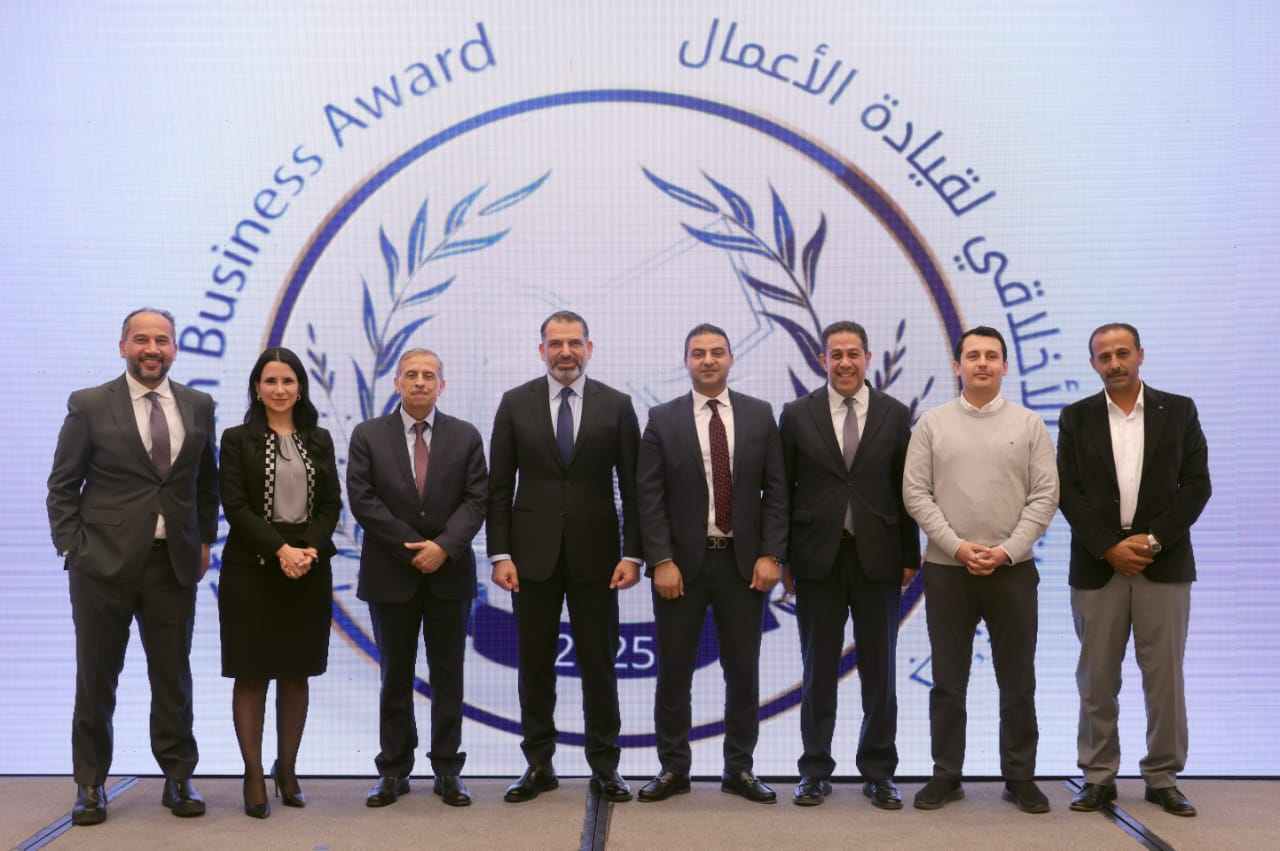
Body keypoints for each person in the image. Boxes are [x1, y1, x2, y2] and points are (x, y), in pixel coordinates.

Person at [47, 308, 217, 826]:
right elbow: (62, 485)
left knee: (173, 677)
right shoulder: (90, 404)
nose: (152, 349)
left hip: (173, 565)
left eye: (162, 340)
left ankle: (178, 777)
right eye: (141, 339)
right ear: (123, 345)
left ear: (174, 348)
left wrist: (205, 539)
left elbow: (205, 482)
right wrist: (74, 548)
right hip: (101, 566)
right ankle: (90, 784)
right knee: (97, 678)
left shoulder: (198, 405)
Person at [903, 326, 1058, 814]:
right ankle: (946, 774)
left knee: (1018, 681)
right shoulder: (932, 424)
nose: (983, 364)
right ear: (957, 366)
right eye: (973, 356)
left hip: (1013, 570)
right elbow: (915, 493)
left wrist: (1008, 550)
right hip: (948, 570)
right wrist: (957, 547)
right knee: (948, 681)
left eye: (992, 356)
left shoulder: (1029, 424)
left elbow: (1045, 495)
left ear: (1005, 366)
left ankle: (1020, 776)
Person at [487, 310, 641, 804]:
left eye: (574, 343)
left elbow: (634, 488)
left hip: (599, 559)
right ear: (542, 351)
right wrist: (499, 553)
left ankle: (606, 767)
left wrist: (633, 554)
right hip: (530, 559)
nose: (565, 352)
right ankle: (538, 765)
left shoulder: (617, 405)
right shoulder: (514, 403)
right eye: (556, 344)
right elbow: (498, 487)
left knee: (599, 664)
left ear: (589, 349)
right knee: (535, 666)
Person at [1057, 323, 1211, 818]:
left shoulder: (1179, 410)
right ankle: (1097, 776)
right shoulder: (1076, 417)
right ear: (1093, 364)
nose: (1115, 363)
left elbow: (1197, 485)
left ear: (1140, 354)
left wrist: (1153, 539)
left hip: (1162, 562)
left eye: (1123, 353)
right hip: (1098, 565)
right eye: (1104, 356)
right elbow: (1066, 490)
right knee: (1096, 679)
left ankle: (1163, 777)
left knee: (1164, 678)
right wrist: (1108, 547)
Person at [635, 323, 787, 804]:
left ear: (730, 358)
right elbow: (648, 497)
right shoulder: (662, 419)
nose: (707, 360)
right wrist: (661, 559)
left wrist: (772, 554)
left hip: (743, 566)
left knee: (742, 671)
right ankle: (673, 769)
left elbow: (778, 491)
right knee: (674, 671)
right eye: (698, 353)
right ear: (686, 361)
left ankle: (739, 769)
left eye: (716, 352)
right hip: (680, 567)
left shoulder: (760, 415)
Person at [779, 320, 919, 809]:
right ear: (823, 360)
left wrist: (909, 555)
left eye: (853, 354)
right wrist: (783, 558)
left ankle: (879, 772)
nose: (844, 363)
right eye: (835, 354)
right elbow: (782, 491)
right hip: (816, 560)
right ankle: (814, 770)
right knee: (818, 669)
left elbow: (907, 491)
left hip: (879, 560)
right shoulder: (796, 415)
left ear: (868, 358)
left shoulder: (894, 414)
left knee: (879, 672)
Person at [347, 349, 487, 808]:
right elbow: (363, 499)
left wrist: (443, 547)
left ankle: (448, 770)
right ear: (397, 383)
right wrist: (414, 546)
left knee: (449, 675)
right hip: (391, 573)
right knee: (395, 676)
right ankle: (393, 771)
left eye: (429, 375)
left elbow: (477, 499)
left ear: (442, 385)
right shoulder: (368, 435)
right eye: (412, 375)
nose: (420, 382)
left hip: (449, 574)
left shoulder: (465, 436)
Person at [218, 347, 340, 818]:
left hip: (308, 566)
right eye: (270, 381)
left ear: (301, 388)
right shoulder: (236, 440)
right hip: (252, 567)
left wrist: (307, 549)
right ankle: (252, 774)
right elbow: (235, 506)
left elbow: (331, 505)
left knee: (295, 672)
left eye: (288, 381)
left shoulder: (319, 439)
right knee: (251, 673)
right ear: (256, 388)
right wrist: (280, 550)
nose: (280, 389)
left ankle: (287, 769)